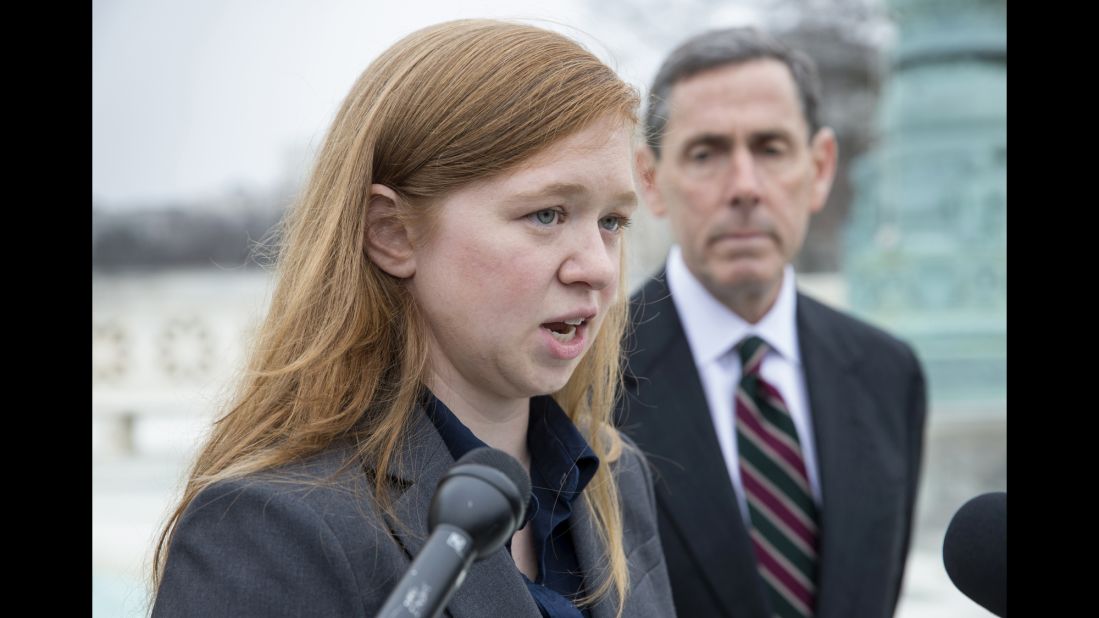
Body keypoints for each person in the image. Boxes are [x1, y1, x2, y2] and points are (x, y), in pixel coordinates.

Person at [150, 19, 675, 618]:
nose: (599, 270)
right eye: (547, 215)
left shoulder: (613, 479)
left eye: (612, 222)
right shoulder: (266, 528)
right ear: (392, 233)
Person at [618, 26, 927, 618]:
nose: (744, 188)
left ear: (820, 167)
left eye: (770, 148)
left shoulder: (891, 374)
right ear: (651, 181)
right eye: (706, 153)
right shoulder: (587, 381)